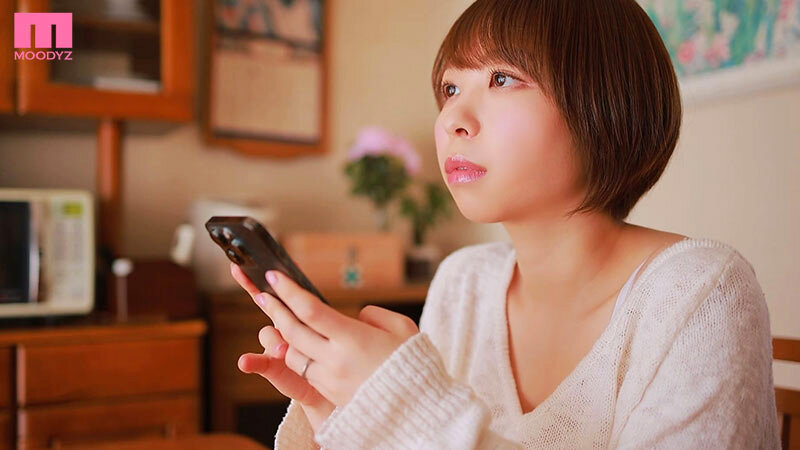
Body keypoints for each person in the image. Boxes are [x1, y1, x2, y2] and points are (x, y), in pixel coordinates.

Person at [231, 0, 781, 448]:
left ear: (605, 102)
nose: (454, 119)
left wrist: (404, 409)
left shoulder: (700, 293)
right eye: (450, 89)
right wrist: (345, 419)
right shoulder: (464, 281)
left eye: (502, 78)